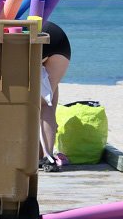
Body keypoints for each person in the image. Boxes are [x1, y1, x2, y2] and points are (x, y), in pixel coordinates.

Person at [39, 21, 71, 172]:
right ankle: (45, 154)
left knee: (42, 104)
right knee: (48, 99)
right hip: (60, 40)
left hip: (36, 38)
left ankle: (47, 157)